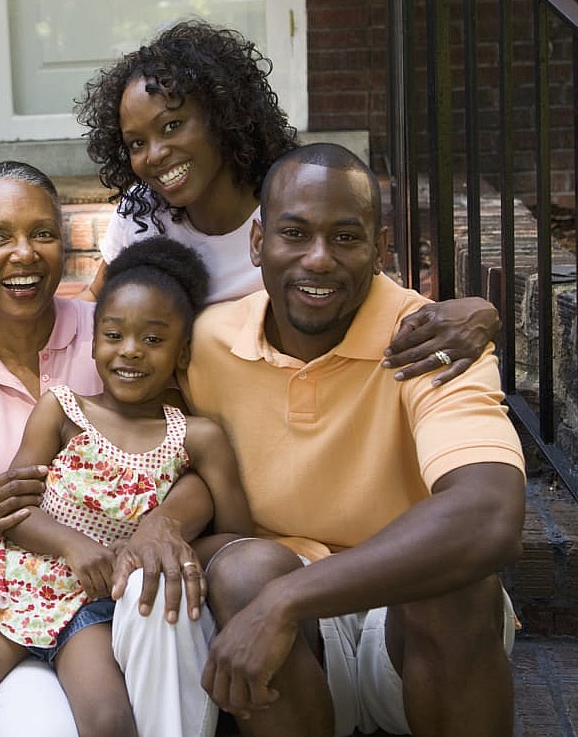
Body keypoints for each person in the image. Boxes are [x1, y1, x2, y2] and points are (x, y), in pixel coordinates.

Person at [183, 143, 526, 737]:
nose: (318, 260)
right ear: (258, 242)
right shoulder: (209, 341)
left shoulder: (432, 340)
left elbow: (491, 515)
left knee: (452, 579)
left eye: (345, 237)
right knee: (243, 572)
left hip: (414, 631)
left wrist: (284, 601)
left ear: (381, 248)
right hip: (297, 648)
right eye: (295, 233)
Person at [0, 162, 222, 737]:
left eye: (42, 233)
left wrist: (166, 520)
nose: (24, 253)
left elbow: (183, 448)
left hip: (102, 608)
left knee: (105, 720)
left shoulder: (120, 334)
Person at [76, 19, 501, 382]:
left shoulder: (292, 207)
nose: (154, 154)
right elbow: (89, 314)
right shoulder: (142, 214)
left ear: (221, 114)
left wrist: (481, 312)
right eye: (136, 142)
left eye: (172, 126)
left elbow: (372, 297)